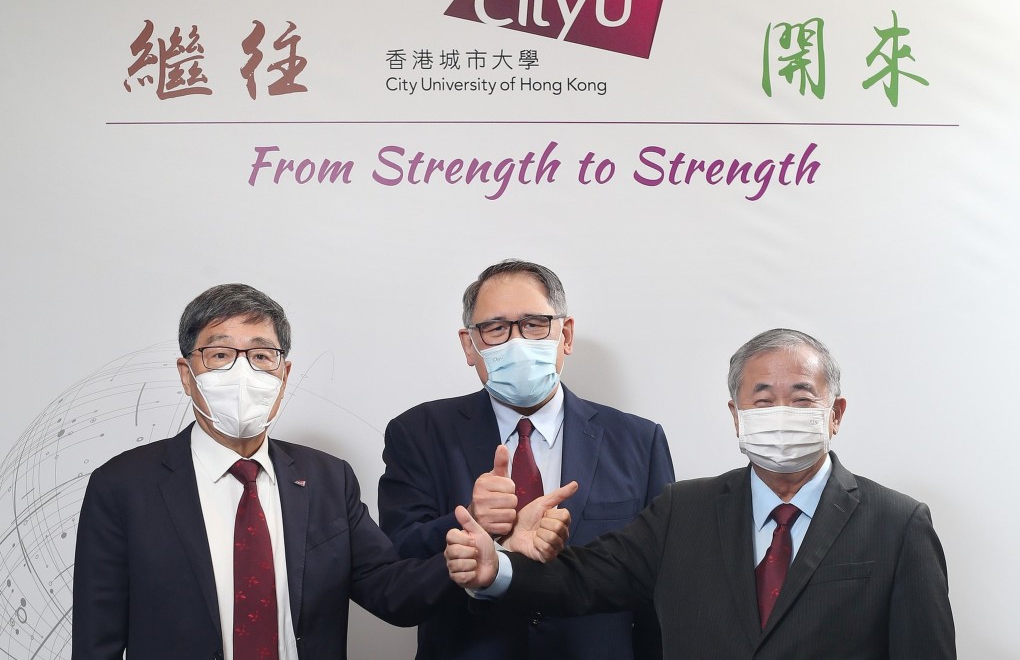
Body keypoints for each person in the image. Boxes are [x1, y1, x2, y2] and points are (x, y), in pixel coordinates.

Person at [71, 283, 569, 660]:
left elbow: (392, 593)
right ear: (187, 373)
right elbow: (97, 641)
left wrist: (482, 552)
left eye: (262, 356)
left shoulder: (327, 480)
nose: (242, 372)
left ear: (284, 375)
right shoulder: (124, 486)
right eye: (220, 355)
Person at [447, 328, 956, 660]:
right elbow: (585, 581)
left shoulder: (899, 523)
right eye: (762, 398)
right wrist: (498, 567)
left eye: (802, 398)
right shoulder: (681, 511)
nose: (781, 412)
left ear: (836, 413)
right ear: (735, 414)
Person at [380, 259, 675, 659]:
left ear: (565, 334)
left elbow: (660, 587)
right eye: (496, 328)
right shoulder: (419, 433)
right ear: (470, 344)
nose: (517, 342)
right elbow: (397, 579)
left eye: (535, 324)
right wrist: (471, 521)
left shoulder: (639, 440)